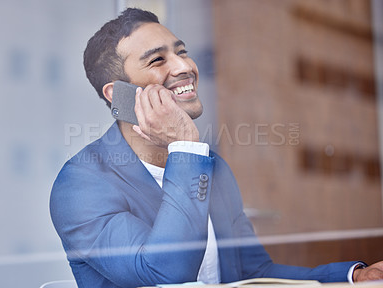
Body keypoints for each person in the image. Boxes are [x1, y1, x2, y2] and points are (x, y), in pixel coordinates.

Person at [50, 8, 383, 288]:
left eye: (181, 52)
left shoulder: (211, 166)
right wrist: (184, 146)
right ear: (118, 94)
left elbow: (253, 273)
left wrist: (353, 276)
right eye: (157, 60)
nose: (184, 67)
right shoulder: (82, 183)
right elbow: (166, 273)